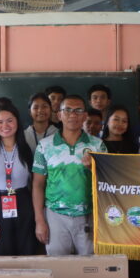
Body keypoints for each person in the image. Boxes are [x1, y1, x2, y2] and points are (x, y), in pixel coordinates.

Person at [33, 95, 107, 256]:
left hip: (88, 215)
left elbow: (106, 184)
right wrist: (40, 220)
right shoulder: (45, 146)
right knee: (60, 270)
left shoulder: (97, 145)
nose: (73, 115)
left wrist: (92, 170)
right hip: (55, 215)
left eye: (78, 110)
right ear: (59, 115)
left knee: (90, 268)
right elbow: (38, 184)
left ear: (85, 116)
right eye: (67, 110)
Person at [0, 101, 37, 256]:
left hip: (23, 201)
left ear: (17, 121)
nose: (5, 125)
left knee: (26, 251)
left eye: (10, 120)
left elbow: (35, 183)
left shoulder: (27, 148)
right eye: (0, 122)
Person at [100, 105, 140, 278]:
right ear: (107, 122)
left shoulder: (135, 147)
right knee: (108, 257)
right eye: (116, 119)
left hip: (131, 211)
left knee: (131, 257)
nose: (120, 124)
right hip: (105, 211)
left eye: (124, 121)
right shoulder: (98, 146)